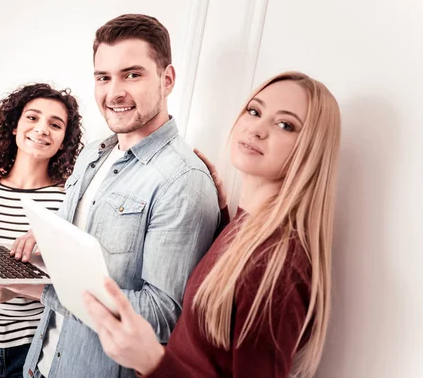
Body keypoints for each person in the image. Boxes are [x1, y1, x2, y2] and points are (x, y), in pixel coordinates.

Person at [84, 71, 341, 378]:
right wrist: (221, 217)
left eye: (285, 125)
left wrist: (153, 362)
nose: (257, 129)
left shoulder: (279, 264)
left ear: (312, 150)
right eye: (255, 111)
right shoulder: (247, 229)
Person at [7, 14, 220, 378]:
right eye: (103, 77)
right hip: (39, 366)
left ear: (167, 79)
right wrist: (37, 246)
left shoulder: (183, 181)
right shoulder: (93, 153)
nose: (114, 92)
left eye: (132, 75)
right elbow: (73, 242)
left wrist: (36, 289)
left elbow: (161, 315)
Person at [0, 83, 83, 378]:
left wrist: (17, 289)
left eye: (55, 124)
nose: (42, 129)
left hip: (33, 354)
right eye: (32, 118)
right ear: (14, 126)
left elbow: (73, 287)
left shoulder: (66, 200)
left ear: (64, 141)